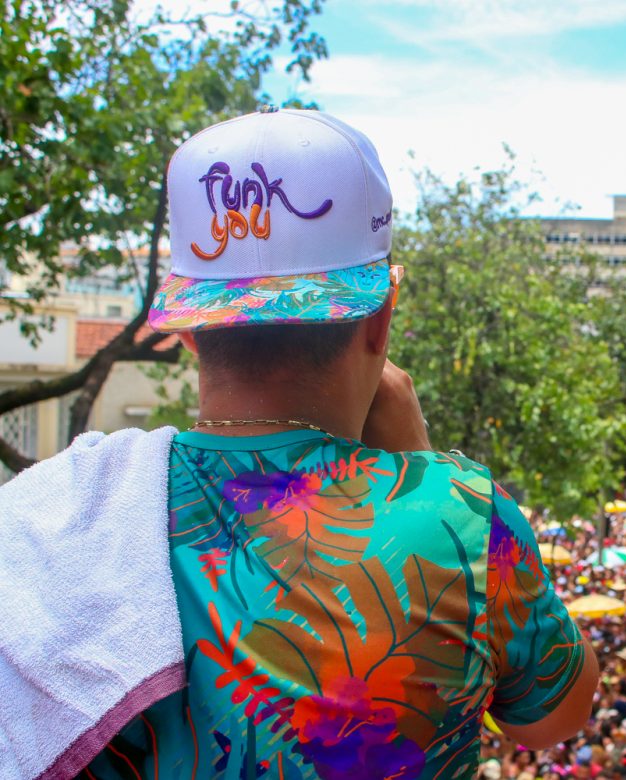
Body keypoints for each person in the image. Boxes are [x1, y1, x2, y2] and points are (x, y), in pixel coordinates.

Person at [74, 108, 597, 777]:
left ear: (190, 330)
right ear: (379, 320)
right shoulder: (462, 516)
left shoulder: (76, 516)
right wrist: (421, 464)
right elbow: (554, 718)